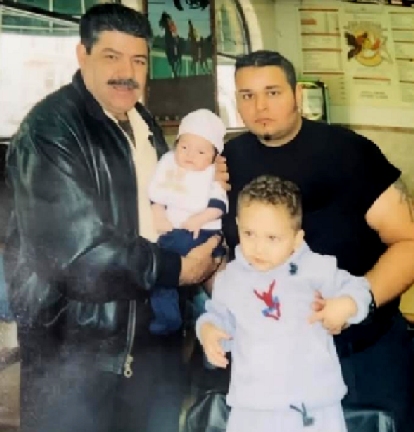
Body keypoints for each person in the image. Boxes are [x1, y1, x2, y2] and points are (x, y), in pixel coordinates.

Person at [3, 4, 222, 432]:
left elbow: (165, 200)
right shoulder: (51, 130)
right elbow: (82, 255)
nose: (127, 72)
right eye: (111, 57)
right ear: (82, 55)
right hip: (78, 352)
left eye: (138, 60)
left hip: (150, 338)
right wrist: (180, 269)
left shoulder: (140, 120)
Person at [211, 49, 414, 432]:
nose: (259, 106)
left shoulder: (349, 152)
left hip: (361, 352)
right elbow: (218, 254)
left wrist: (357, 300)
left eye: (272, 92)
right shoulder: (226, 162)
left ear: (297, 95)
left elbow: (409, 241)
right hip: (269, 368)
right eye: (246, 95)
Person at [197, 175, 373, 432]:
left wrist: (346, 304)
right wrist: (209, 331)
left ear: (297, 237)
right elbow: (217, 316)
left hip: (313, 406)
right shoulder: (230, 279)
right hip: (252, 406)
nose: (258, 247)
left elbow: (360, 289)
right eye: (249, 233)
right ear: (237, 225)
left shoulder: (316, 268)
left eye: (272, 238)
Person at [148, 108, 227, 335]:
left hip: (200, 233)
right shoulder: (168, 166)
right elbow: (156, 194)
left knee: (163, 266)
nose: (190, 155)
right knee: (164, 273)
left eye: (201, 151)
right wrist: (158, 211)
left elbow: (218, 206)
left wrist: (198, 219)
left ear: (214, 156)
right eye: (184, 147)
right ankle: (173, 317)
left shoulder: (212, 176)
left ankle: (180, 319)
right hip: (176, 232)